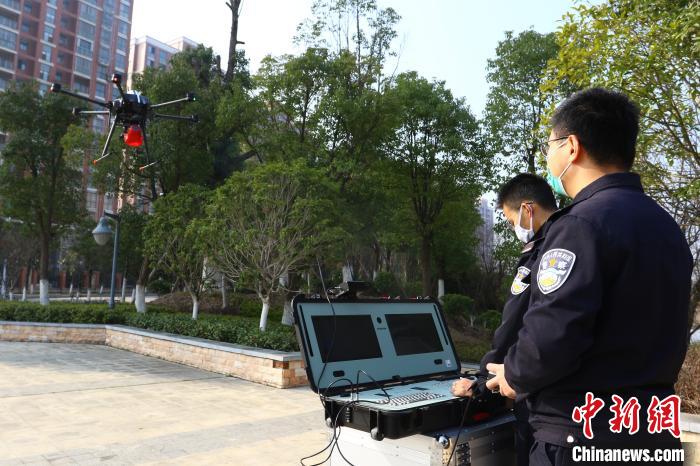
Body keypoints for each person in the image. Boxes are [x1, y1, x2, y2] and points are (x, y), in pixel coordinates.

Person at [484, 88, 692, 465]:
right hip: (652, 432)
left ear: (572, 147)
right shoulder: (666, 227)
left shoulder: (580, 224)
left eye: (550, 146)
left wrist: (513, 374)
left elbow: (553, 333)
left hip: (582, 435)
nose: (548, 157)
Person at [452, 173, 557, 466]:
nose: (514, 229)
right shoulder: (578, 238)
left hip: (544, 408)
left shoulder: (540, 253)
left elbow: (513, 324)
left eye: (511, 222)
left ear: (527, 209)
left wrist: (481, 384)